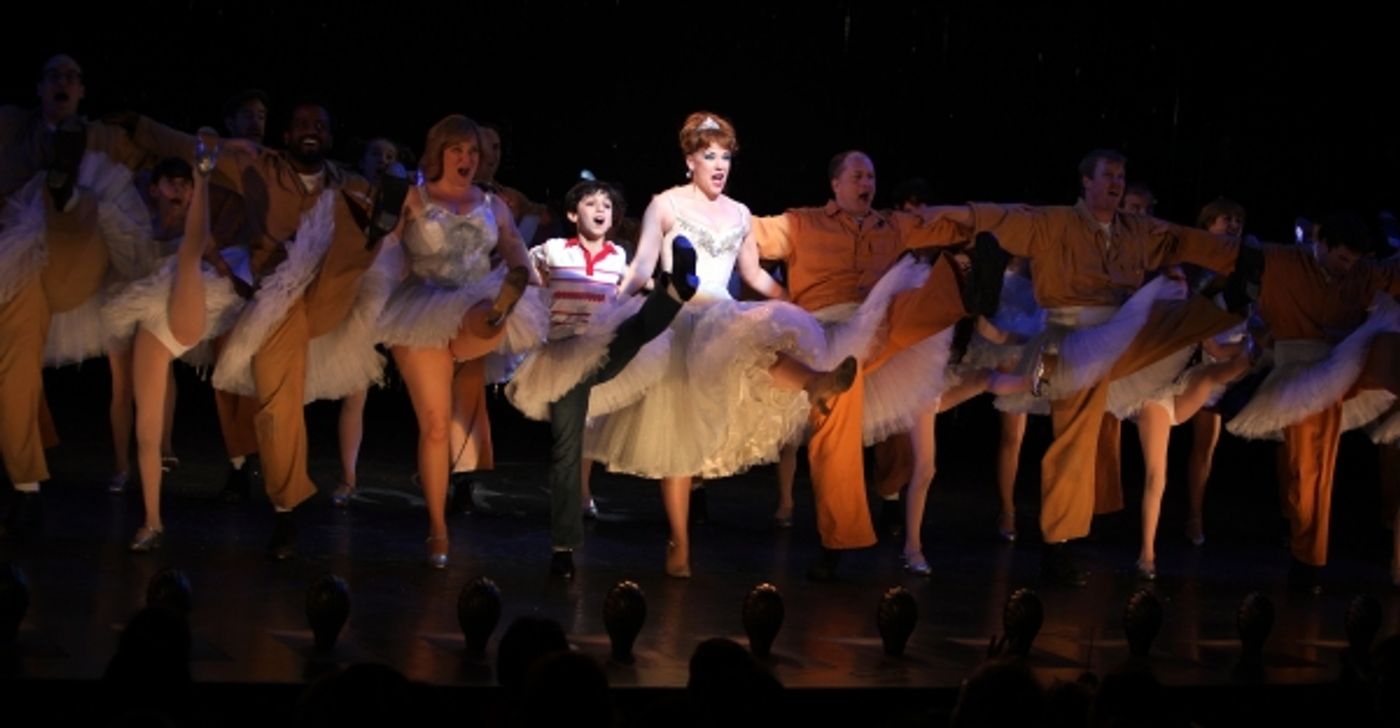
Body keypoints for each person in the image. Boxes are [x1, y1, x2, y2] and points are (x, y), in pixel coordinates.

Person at [931, 149, 1242, 586]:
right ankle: (1057, 545)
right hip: (1070, 340)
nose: (1117, 183)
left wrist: (1242, 257)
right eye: (1109, 176)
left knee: (1191, 315)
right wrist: (943, 216)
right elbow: (1000, 218)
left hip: (1120, 335)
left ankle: (1248, 319)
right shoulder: (1056, 222)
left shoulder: (1135, 229)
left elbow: (1184, 240)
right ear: (1086, 182)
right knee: (1071, 438)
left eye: (1122, 176)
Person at [585, 112, 858, 578]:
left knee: (760, 340)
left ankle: (814, 382)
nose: (719, 165)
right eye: (709, 156)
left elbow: (751, 275)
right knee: (677, 437)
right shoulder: (666, 205)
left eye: (725, 157)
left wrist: (791, 304)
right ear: (690, 159)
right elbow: (644, 263)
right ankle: (679, 542)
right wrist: (614, 301)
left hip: (721, 316)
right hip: (676, 321)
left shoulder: (740, 213)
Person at [751, 150, 1010, 578]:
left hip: (877, 326)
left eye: (871, 176)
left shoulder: (890, 225)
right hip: (824, 336)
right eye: (857, 176)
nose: (866, 183)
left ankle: (966, 285)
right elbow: (746, 230)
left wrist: (984, 221)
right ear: (836, 184)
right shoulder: (801, 223)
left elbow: (941, 221)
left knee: (908, 297)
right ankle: (836, 544)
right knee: (834, 427)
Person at [376, 114, 545, 568]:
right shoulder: (416, 196)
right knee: (434, 425)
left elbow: (513, 248)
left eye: (473, 152)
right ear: (439, 153)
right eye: (458, 150)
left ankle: (497, 313)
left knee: (486, 318)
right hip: (421, 308)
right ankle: (437, 527)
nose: (467, 159)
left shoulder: (494, 204)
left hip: (475, 297)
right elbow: (386, 246)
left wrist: (522, 273)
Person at [506, 177, 695, 578]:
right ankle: (563, 547)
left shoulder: (617, 258)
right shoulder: (553, 251)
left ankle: (677, 289)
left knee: (637, 329)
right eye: (591, 203)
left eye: (607, 206)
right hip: (561, 357)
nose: (600, 210)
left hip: (605, 346)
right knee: (566, 450)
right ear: (574, 214)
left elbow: (628, 296)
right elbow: (521, 267)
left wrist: (650, 287)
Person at [1225, 212, 1400, 592]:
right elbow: (1231, 259)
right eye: (1341, 259)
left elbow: (1389, 274)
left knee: (1314, 464)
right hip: (1297, 372)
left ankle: (1308, 560)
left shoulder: (1361, 274)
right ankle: (1303, 549)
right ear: (1321, 244)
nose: (1345, 268)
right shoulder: (1284, 260)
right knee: (1302, 467)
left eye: (1352, 261)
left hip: (1341, 367)